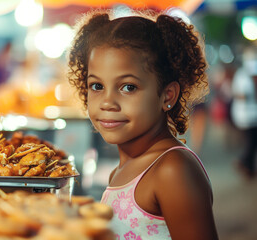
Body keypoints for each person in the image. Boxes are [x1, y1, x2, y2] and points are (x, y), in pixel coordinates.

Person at [67, 10, 218, 239]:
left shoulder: (172, 169)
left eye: (128, 87)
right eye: (97, 86)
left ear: (167, 96)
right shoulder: (121, 170)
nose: (107, 103)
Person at [231, 47, 257, 180]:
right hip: (245, 115)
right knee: (251, 141)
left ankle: (249, 167)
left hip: (253, 113)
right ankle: (244, 163)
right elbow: (236, 92)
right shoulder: (241, 75)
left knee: (252, 141)